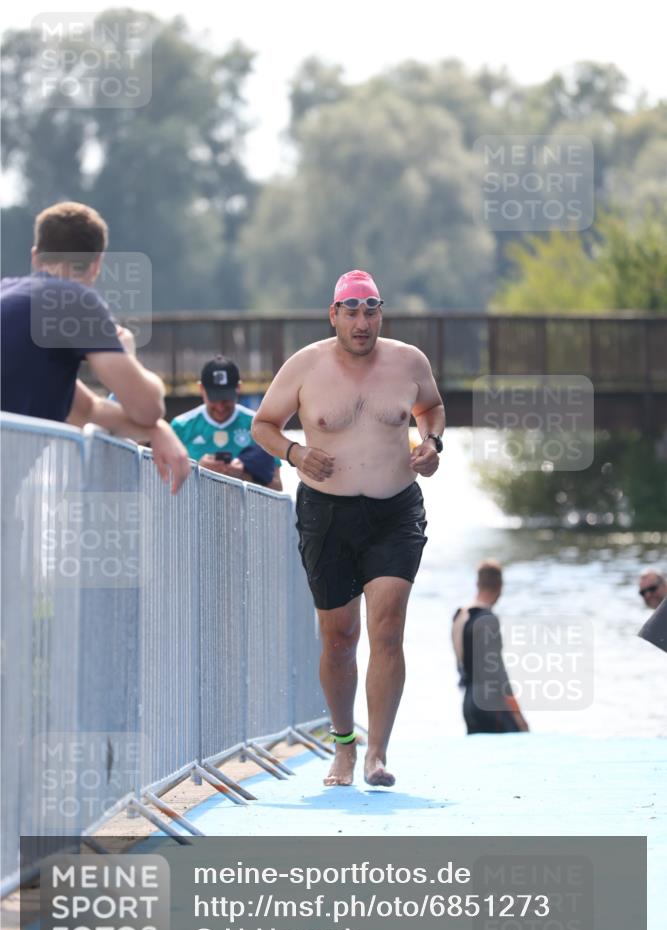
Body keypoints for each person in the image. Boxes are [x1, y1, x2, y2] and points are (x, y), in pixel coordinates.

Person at [251, 269, 444, 787]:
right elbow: (263, 424)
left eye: (371, 309)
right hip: (327, 515)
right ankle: (344, 744)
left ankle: (378, 752)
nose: (363, 322)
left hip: (395, 512)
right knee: (340, 639)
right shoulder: (305, 366)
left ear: (381, 313)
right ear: (333, 314)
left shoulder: (409, 361)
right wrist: (294, 453)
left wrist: (432, 444)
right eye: (352, 311)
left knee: (388, 627)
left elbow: (431, 407)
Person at [0, 200, 190, 494]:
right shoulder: (75, 300)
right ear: (97, 263)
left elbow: (87, 411)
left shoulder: (7, 294)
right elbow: (147, 407)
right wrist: (126, 350)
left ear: (36, 257)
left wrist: (158, 430)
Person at [171, 356, 283, 491]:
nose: (220, 407)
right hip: (193, 511)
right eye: (214, 398)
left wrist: (244, 476)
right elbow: (163, 482)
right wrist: (198, 471)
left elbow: (277, 487)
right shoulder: (181, 426)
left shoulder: (259, 425)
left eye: (226, 399)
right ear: (201, 389)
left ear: (238, 388)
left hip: (243, 512)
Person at [452, 560, 529, 735]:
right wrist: (518, 716)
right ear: (500, 586)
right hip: (490, 702)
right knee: (517, 747)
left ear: (477, 583)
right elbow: (497, 673)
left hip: (468, 703)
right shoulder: (487, 619)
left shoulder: (459, 616)